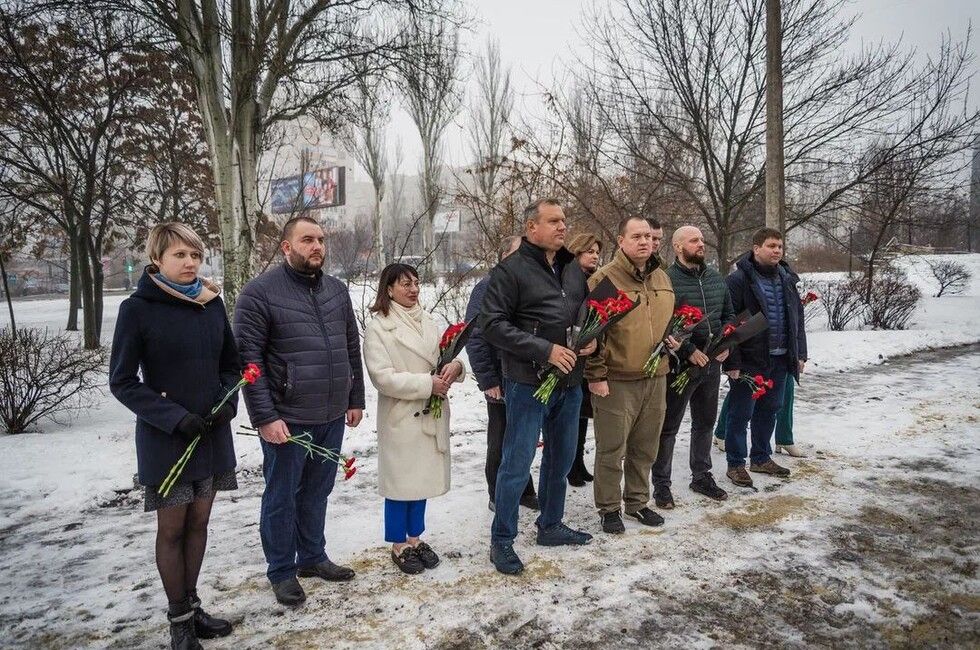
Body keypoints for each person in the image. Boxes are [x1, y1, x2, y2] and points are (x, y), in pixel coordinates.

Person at [109, 223, 239, 650]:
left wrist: (227, 404)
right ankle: (179, 620)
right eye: (180, 255)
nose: (189, 263)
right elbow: (123, 381)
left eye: (195, 255)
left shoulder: (211, 303)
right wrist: (173, 417)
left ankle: (193, 605)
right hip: (168, 439)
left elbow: (230, 365)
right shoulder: (138, 309)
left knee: (200, 522)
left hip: (211, 434)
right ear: (157, 260)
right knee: (173, 529)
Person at [234, 216, 365, 606]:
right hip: (287, 418)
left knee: (318, 490)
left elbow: (349, 347)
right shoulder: (259, 294)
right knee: (282, 496)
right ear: (287, 246)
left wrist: (354, 397)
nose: (317, 246)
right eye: (307, 240)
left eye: (321, 240)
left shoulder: (336, 291)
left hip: (330, 412)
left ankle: (312, 557)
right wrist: (265, 417)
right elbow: (248, 361)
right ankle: (281, 571)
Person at [480, 198, 596, 575]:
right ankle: (502, 541)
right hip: (527, 381)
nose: (562, 227)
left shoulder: (572, 269)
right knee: (516, 463)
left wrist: (594, 341)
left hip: (570, 380)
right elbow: (493, 325)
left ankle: (550, 524)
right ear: (532, 228)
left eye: (564, 219)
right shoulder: (510, 271)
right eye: (553, 221)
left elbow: (584, 314)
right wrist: (544, 349)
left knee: (561, 458)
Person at [363, 263, 466, 574]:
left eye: (416, 283)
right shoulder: (379, 327)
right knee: (400, 484)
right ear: (389, 289)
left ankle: (415, 538)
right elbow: (382, 378)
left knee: (420, 481)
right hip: (402, 416)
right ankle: (398, 545)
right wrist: (426, 384)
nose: (413, 289)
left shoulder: (428, 321)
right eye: (405, 284)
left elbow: (444, 356)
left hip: (429, 415)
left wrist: (455, 368)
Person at [586, 216, 678, 534]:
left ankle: (637, 502)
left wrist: (673, 340)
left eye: (648, 237)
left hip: (656, 376)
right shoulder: (604, 280)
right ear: (621, 240)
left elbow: (666, 323)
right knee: (612, 448)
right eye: (636, 236)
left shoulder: (663, 278)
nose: (644, 242)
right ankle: (609, 507)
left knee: (645, 446)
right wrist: (596, 375)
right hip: (616, 378)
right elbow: (590, 334)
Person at [651, 226, 734, 509]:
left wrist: (727, 344)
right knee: (669, 427)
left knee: (705, 423)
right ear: (677, 246)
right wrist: (688, 351)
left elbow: (728, 315)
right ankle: (661, 484)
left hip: (711, 365)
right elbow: (664, 324)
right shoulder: (667, 280)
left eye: (702, 240)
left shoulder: (715, 278)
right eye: (694, 241)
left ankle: (702, 476)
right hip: (680, 366)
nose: (701, 244)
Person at [722, 228, 807, 488]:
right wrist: (733, 362)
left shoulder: (787, 278)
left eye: (780, 246)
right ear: (756, 248)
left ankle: (760, 457)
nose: (777, 251)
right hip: (750, 359)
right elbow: (729, 322)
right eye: (771, 246)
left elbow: (797, 319)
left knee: (770, 409)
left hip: (781, 358)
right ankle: (736, 464)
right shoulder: (739, 280)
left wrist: (800, 352)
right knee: (741, 412)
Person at [465, 236, 538, 512]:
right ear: (504, 256)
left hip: (525, 375)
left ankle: (523, 489)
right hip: (500, 376)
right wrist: (488, 379)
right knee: (501, 437)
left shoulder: (528, 285)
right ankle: (497, 493)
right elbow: (475, 335)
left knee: (524, 436)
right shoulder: (487, 288)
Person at [563, 232, 603, 487]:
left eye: (598, 252)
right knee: (570, 421)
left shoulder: (595, 281)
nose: (595, 256)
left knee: (582, 419)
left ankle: (578, 463)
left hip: (588, 359)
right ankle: (570, 467)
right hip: (568, 360)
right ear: (577, 253)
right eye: (590, 251)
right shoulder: (568, 280)